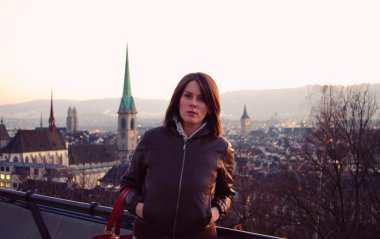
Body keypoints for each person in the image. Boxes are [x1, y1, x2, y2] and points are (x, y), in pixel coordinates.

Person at [120, 72, 235, 239]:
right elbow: (127, 184)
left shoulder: (221, 148)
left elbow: (226, 194)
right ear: (178, 100)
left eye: (201, 99)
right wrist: (141, 209)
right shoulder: (151, 139)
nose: (193, 104)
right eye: (188, 96)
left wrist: (213, 214)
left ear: (210, 106)